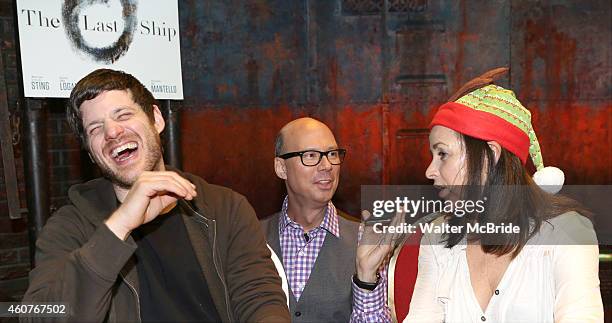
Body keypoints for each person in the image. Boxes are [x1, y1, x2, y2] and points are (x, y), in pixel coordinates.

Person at [22, 68, 290, 322]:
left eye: (123, 115)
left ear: (156, 119)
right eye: (95, 129)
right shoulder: (70, 226)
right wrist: (119, 226)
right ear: (91, 153)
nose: (113, 132)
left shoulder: (224, 207)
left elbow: (260, 298)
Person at [360, 67, 604, 322]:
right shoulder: (438, 237)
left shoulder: (567, 232)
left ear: (491, 155)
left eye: (442, 154)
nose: (430, 170)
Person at [260, 117, 391, 322]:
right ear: (281, 168)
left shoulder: (362, 239)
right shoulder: (251, 238)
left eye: (332, 154)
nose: (327, 165)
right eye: (311, 155)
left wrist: (366, 279)